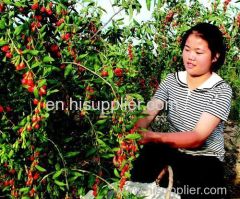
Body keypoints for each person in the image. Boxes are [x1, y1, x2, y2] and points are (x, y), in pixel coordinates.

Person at [130, 23, 232, 199]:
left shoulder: (221, 90)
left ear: (215, 56)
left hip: (204, 158)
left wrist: (153, 137)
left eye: (199, 52)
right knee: (139, 172)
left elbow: (197, 138)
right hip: (172, 149)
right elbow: (149, 112)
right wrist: (136, 131)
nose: (190, 57)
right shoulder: (171, 81)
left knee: (201, 187)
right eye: (187, 49)